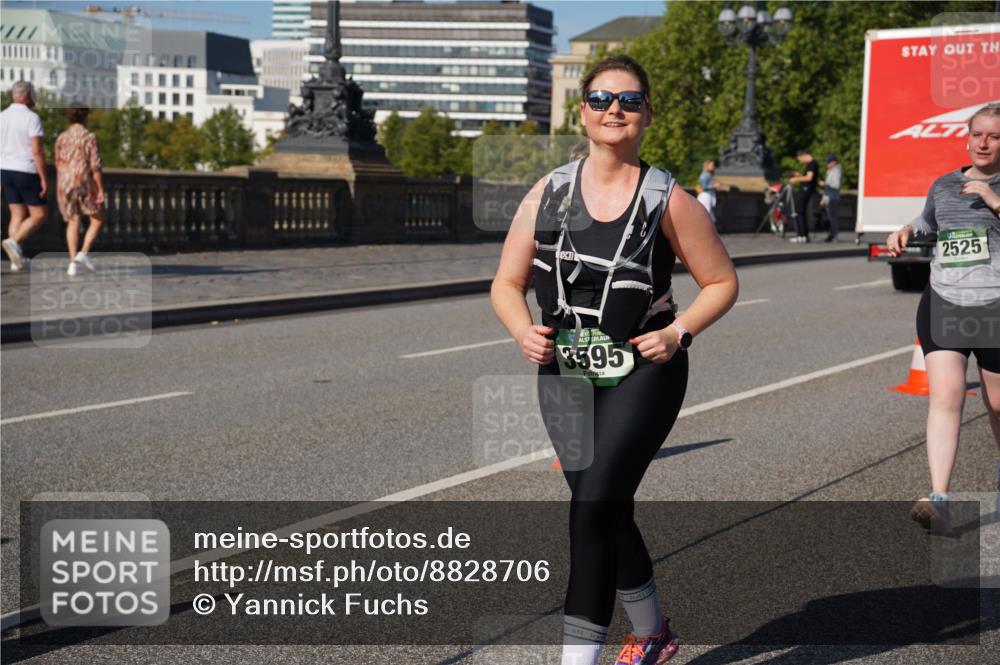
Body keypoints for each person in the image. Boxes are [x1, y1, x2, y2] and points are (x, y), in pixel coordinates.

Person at [491, 54, 739, 665]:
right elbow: (505, 282)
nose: (614, 111)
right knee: (602, 506)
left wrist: (678, 332)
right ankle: (654, 635)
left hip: (644, 369)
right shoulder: (547, 192)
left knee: (591, 510)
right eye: (602, 99)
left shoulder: (669, 199)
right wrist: (523, 330)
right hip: (563, 372)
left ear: (647, 114)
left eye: (629, 101)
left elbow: (722, 282)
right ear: (584, 111)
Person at [887, 102, 1000, 532]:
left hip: (994, 306)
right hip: (945, 301)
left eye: (993, 136)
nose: (983, 143)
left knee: (998, 404)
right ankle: (939, 497)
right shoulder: (945, 184)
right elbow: (927, 221)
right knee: (946, 396)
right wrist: (906, 230)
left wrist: (993, 200)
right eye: (977, 135)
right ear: (967, 137)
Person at [1, 81, 48, 271]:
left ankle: (16, 260)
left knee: (17, 213)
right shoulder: (32, 118)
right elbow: (36, 150)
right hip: (25, 170)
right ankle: (14, 242)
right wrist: (43, 177)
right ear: (28, 95)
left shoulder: (2, 116)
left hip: (4, 169)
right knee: (39, 214)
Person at [54, 104, 105, 275]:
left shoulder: (61, 137)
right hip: (83, 180)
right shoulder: (89, 137)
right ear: (85, 118)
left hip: (64, 183)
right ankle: (83, 253)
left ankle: (72, 263)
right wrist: (100, 189)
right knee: (97, 219)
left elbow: (58, 162)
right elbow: (95, 165)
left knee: (73, 221)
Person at [787, 149, 819, 243]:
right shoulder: (813, 164)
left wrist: (796, 179)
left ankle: (801, 235)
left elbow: (809, 178)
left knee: (799, 211)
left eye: (800, 159)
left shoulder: (811, 164)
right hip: (807, 190)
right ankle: (803, 235)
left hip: (806, 190)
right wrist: (800, 175)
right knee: (801, 211)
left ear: (803, 155)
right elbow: (809, 177)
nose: (800, 162)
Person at [820, 154, 842, 242]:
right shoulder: (831, 171)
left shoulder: (836, 171)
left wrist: (825, 184)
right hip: (829, 197)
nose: (827, 164)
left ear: (833, 162)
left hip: (832, 198)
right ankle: (832, 235)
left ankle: (833, 235)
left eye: (828, 163)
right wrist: (823, 198)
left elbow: (835, 185)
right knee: (831, 217)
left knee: (832, 218)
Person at [696, 159, 720, 223]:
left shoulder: (708, 174)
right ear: (707, 165)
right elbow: (703, 187)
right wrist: (714, 186)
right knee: (706, 214)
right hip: (705, 195)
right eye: (712, 165)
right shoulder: (705, 175)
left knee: (709, 215)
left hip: (707, 195)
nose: (713, 167)